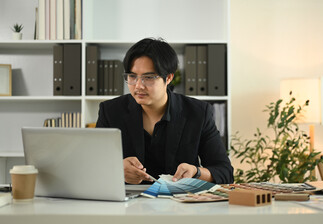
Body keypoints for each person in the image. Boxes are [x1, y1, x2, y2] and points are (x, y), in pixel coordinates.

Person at [96, 38, 233, 184]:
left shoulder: (198, 112)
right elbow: (92, 165)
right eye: (132, 76)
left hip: (180, 203)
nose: (138, 86)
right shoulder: (110, 111)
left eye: (148, 78)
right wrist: (116, 168)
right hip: (126, 201)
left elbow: (225, 172)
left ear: (168, 78)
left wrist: (196, 172)